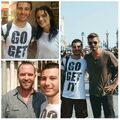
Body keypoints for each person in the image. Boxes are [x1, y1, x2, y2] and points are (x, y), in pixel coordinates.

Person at [84, 33, 118, 118]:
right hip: (93, 93)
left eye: (95, 42)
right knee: (96, 116)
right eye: (90, 43)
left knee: (110, 116)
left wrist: (114, 84)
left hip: (106, 92)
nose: (93, 44)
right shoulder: (87, 57)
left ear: (99, 42)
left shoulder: (107, 54)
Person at [61, 39, 88, 118]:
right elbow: (60, 75)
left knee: (81, 117)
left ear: (81, 48)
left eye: (79, 47)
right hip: (66, 95)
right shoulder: (65, 59)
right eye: (74, 47)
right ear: (72, 48)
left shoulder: (85, 61)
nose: (76, 48)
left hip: (80, 95)